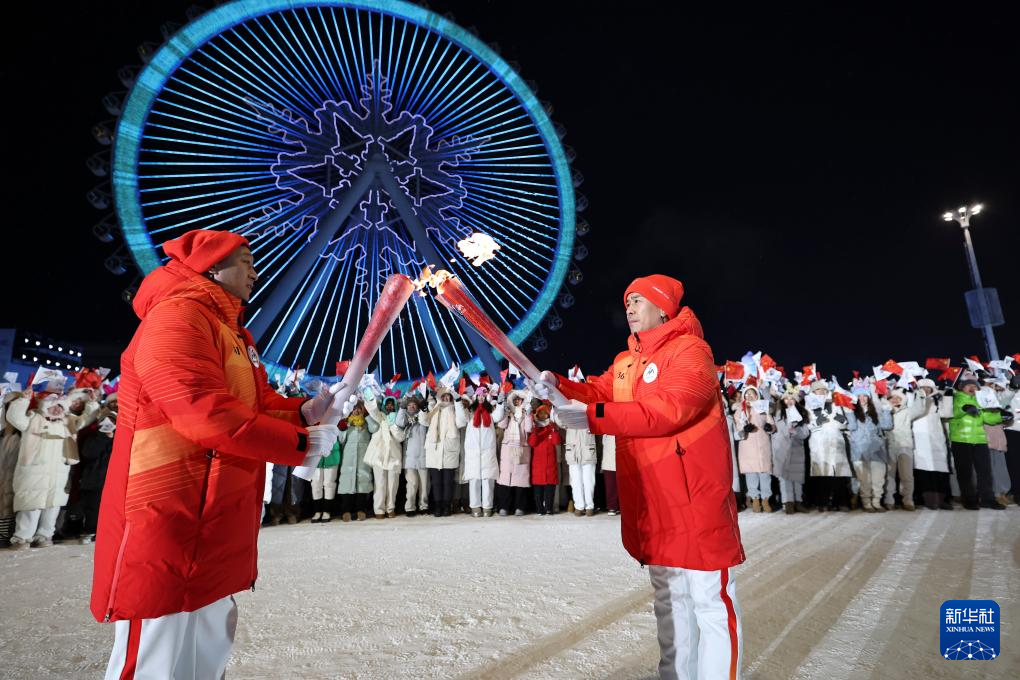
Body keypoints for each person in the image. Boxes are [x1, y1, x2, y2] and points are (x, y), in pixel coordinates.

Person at [90, 230, 342, 679]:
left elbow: (257, 405)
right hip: (169, 509)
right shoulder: (175, 320)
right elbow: (204, 414)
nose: (255, 272)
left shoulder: (234, 333)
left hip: (217, 513)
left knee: (207, 647)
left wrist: (305, 412)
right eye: (244, 261)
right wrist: (301, 444)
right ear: (211, 265)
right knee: (157, 649)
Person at [536, 274, 744, 680]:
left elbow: (669, 408)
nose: (628, 307)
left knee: (710, 602)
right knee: (669, 599)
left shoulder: (691, 352)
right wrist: (558, 385)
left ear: (663, 307)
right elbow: (597, 392)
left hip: (693, 499)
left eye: (637, 300)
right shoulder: (626, 362)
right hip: (654, 499)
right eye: (626, 301)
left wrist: (592, 417)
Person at [6, 389, 99, 549]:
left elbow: (87, 418)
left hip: (58, 472)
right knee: (31, 505)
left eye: (60, 407)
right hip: (33, 471)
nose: (57, 409)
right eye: (53, 406)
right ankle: (22, 538)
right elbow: (14, 418)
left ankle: (44, 535)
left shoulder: (69, 422)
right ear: (45, 406)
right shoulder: (33, 418)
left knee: (53, 505)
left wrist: (91, 403)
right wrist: (23, 400)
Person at [947, 376, 1004, 510]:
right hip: (961, 440)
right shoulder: (956, 398)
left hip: (979, 441)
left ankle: (987, 499)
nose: (973, 387)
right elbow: (953, 413)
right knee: (965, 472)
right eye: (969, 385)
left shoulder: (980, 400)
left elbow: (988, 418)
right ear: (962, 388)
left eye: (975, 386)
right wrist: (964, 408)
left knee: (985, 472)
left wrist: (1000, 415)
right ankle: (969, 500)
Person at [845, 387, 893, 512]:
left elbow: (887, 426)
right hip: (859, 450)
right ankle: (866, 502)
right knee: (864, 479)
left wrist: (887, 411)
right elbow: (852, 427)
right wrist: (849, 413)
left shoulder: (875, 412)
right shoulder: (852, 412)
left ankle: (876, 501)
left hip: (877, 449)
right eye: (859, 396)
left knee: (878, 478)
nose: (862, 398)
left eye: (864, 396)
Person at [806, 380, 851, 511]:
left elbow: (844, 423)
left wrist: (842, 421)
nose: (823, 392)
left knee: (839, 473)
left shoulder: (835, 404)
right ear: (813, 392)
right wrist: (816, 423)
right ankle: (822, 502)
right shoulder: (809, 406)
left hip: (835, 440)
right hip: (819, 442)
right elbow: (808, 425)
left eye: (824, 390)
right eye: (819, 390)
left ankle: (841, 502)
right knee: (822, 473)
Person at [911, 379, 954, 510]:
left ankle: (943, 500)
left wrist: (947, 396)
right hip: (920, 440)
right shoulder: (914, 401)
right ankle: (926, 499)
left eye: (928, 387)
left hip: (936, 440)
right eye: (922, 387)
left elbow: (947, 413)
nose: (926, 389)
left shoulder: (936, 401)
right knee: (923, 471)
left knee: (939, 471)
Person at [424, 388, 467, 517]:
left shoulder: (455, 409)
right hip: (434, 451)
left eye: (448, 396)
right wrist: (427, 405)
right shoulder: (434, 409)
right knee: (436, 482)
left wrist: (458, 402)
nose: (446, 398)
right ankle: (438, 506)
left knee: (448, 482)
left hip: (449, 451)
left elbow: (461, 422)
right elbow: (424, 420)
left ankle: (446, 506)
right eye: (444, 396)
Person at [462, 389, 505, 517]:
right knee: (474, 480)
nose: (481, 398)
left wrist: (501, 402)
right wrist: (459, 401)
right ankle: (475, 507)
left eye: (483, 395)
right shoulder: (470, 412)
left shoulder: (491, 411)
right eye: (479, 395)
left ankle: (487, 507)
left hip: (487, 451)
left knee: (488, 480)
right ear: (475, 397)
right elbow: (461, 417)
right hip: (473, 452)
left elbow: (499, 416)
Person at [733, 385, 775, 513]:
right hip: (748, 447)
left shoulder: (763, 409)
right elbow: (737, 430)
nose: (749, 396)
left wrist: (769, 427)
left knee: (764, 475)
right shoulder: (740, 411)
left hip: (763, 446)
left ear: (757, 396)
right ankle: (755, 499)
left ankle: (765, 499)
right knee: (751, 475)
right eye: (746, 394)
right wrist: (743, 430)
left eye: (752, 394)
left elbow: (772, 424)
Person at [883, 388, 925, 510]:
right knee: (889, 475)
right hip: (889, 446)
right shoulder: (884, 411)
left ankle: (908, 500)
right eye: (892, 398)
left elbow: (919, 409)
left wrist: (919, 394)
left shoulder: (907, 411)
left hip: (905, 446)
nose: (895, 400)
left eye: (898, 398)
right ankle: (889, 500)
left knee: (907, 475)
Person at [365, 394, 406, 519]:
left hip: (393, 456)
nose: (389, 406)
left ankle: (390, 508)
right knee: (380, 484)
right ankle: (379, 510)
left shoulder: (398, 419)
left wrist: (393, 425)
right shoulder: (380, 417)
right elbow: (372, 411)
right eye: (387, 404)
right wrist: (370, 397)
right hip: (379, 456)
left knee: (393, 485)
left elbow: (400, 437)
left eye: (392, 404)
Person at [771, 389, 810, 514]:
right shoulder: (777, 414)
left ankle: (798, 501)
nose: (789, 401)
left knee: (797, 476)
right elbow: (773, 430)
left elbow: (805, 434)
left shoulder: (801, 415)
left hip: (796, 448)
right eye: (786, 398)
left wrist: (796, 430)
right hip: (781, 448)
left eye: (792, 398)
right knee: (784, 477)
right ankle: (788, 502)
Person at [338, 401, 378, 521]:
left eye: (359, 408)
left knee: (362, 484)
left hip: (363, 458)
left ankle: (361, 510)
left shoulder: (366, 423)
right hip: (348, 459)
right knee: (347, 484)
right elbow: (341, 440)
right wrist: (344, 426)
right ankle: (346, 511)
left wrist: (366, 416)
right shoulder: (348, 423)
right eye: (354, 408)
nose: (356, 410)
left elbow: (375, 428)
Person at [79, 416, 116, 542]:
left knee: (111, 508)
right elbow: (88, 453)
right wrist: (103, 437)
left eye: (112, 422)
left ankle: (107, 532)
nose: (108, 424)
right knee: (93, 507)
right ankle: (90, 530)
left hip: (113, 480)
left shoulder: (121, 438)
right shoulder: (94, 437)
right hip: (95, 480)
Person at [496, 391, 533, 516]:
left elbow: (529, 429)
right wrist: (505, 413)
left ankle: (520, 507)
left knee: (520, 479)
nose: (517, 402)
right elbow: (501, 425)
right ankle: (505, 506)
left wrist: (528, 415)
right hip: (508, 449)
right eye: (515, 400)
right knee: (506, 479)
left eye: (520, 400)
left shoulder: (526, 414)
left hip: (522, 449)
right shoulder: (509, 413)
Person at [559, 402, 599, 517]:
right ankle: (579, 506)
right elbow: (559, 421)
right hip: (573, 450)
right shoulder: (567, 412)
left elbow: (599, 419)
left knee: (588, 480)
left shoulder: (590, 409)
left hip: (587, 449)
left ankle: (589, 506)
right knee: (576, 481)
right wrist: (558, 408)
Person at [527, 403, 560, 516]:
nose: (542, 415)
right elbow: (532, 443)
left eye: (544, 413)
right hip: (538, 464)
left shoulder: (551, 428)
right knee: (538, 489)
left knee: (550, 488)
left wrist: (554, 429)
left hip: (550, 463)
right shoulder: (534, 427)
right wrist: (535, 430)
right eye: (540, 413)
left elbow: (556, 442)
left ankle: (549, 508)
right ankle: (540, 509)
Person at [399, 397, 429, 517]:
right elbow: (399, 422)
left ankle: (424, 506)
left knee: (425, 485)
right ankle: (410, 507)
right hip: (410, 458)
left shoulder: (423, 418)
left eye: (414, 405)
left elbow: (426, 421)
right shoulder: (405, 420)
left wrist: (423, 409)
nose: (412, 407)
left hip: (424, 457)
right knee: (412, 484)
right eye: (409, 405)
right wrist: (402, 408)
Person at [309, 431, 341, 523]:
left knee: (329, 483)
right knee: (315, 483)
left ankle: (327, 511)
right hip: (316, 455)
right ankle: (317, 511)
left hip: (332, 454)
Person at [602, 434, 619, 516]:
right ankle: (613, 507)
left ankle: (613, 507)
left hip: (610, 458)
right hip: (611, 457)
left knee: (611, 484)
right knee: (611, 484)